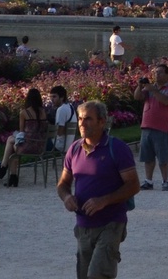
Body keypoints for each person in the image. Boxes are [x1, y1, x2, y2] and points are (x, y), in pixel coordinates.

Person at [58, 100, 139, 278]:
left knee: (98, 275)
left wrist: (104, 201)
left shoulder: (117, 149)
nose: (82, 123)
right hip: (83, 226)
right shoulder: (74, 149)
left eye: (88, 119)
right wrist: (66, 197)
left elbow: (133, 185)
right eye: (80, 119)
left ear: (102, 121)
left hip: (111, 223)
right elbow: (63, 184)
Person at [0, 86, 48, 185]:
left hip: (27, 147)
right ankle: (10, 175)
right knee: (12, 144)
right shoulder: (44, 113)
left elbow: (21, 131)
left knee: (11, 141)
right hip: (40, 147)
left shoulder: (24, 113)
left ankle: (4, 167)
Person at [133, 63, 168, 191]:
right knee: (148, 157)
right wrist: (139, 86)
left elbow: (165, 101)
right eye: (156, 72)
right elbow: (137, 97)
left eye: (160, 72)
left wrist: (153, 90)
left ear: (167, 75)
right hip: (147, 126)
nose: (157, 75)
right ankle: (148, 180)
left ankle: (165, 181)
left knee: (163, 158)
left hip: (161, 128)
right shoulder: (150, 88)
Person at [50, 85, 79, 154]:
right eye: (51, 97)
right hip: (70, 143)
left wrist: (49, 129)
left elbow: (60, 132)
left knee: (39, 141)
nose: (52, 99)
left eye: (54, 97)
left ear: (62, 97)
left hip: (60, 145)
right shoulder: (70, 107)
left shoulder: (61, 110)